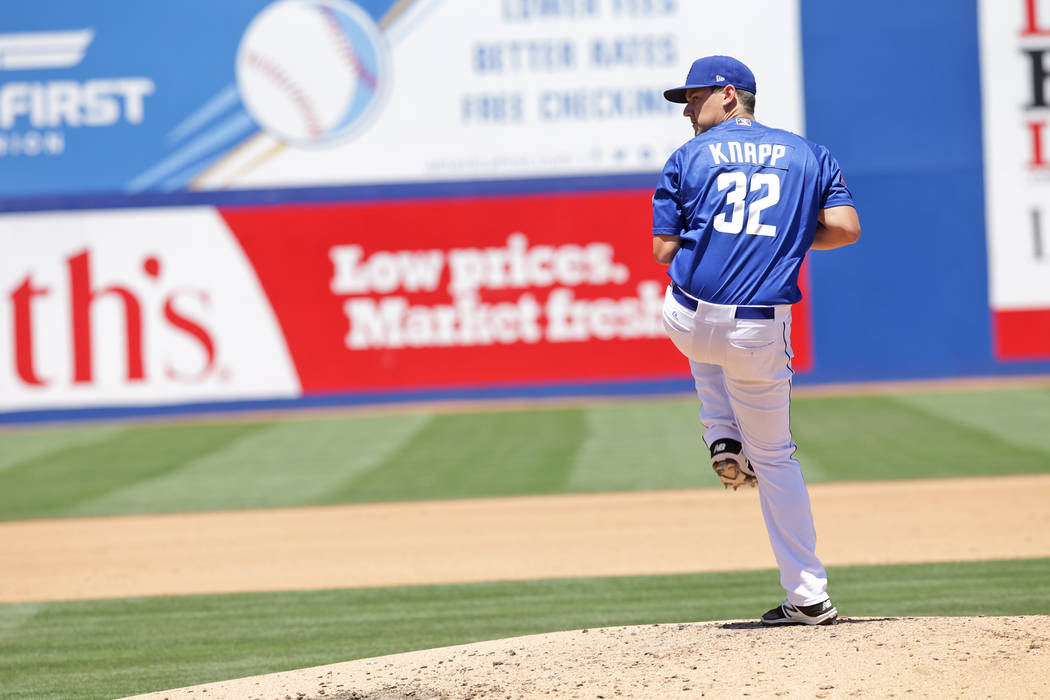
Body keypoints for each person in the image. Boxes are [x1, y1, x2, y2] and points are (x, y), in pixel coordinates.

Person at [652, 55, 860, 625]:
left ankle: (719, 430)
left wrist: (716, 235)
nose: (688, 110)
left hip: (688, 320)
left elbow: (663, 252)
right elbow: (845, 229)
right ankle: (809, 596)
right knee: (775, 458)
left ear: (727, 95)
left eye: (693, 98)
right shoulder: (810, 154)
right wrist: (787, 237)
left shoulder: (688, 157)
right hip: (756, 330)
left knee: (696, 332)